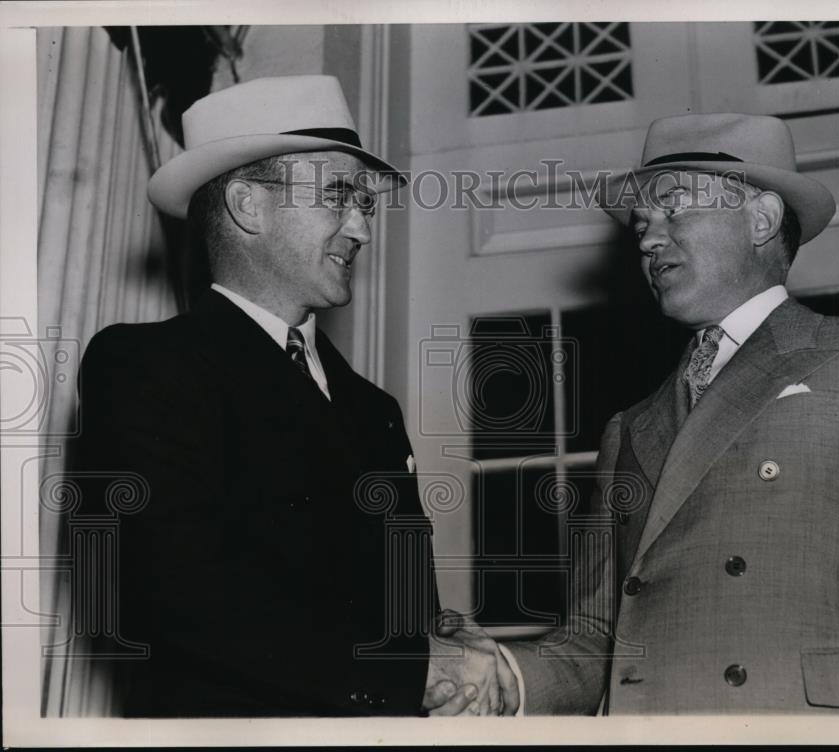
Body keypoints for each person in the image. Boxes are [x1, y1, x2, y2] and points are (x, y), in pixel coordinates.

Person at [74, 75, 511, 717]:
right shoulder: (146, 366)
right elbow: (169, 591)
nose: (362, 228)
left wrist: (444, 638)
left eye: (364, 202)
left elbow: (390, 603)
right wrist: (408, 669)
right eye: (338, 196)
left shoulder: (374, 411)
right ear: (249, 206)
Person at [495, 113, 839, 714]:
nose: (647, 238)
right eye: (642, 221)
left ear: (760, 219)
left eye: (674, 209)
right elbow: (590, 645)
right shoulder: (628, 429)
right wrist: (497, 677)